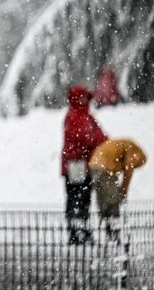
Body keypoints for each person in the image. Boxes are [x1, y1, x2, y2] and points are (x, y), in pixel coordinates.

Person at [60, 85, 107, 244]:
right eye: (82, 97)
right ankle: (77, 231)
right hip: (76, 164)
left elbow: (98, 135)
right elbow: (88, 136)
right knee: (78, 197)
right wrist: (98, 140)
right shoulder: (75, 115)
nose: (85, 100)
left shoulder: (84, 115)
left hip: (81, 164)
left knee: (82, 197)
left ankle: (80, 230)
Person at [89, 138, 147, 239]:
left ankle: (108, 228)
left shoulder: (124, 145)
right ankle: (113, 233)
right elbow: (129, 170)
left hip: (95, 166)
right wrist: (124, 192)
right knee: (113, 201)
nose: (135, 167)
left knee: (104, 201)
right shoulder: (132, 149)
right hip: (105, 168)